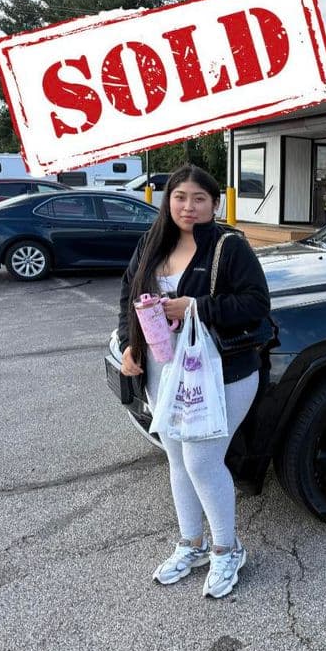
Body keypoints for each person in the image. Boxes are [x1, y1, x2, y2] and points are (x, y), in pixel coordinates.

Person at [116, 163, 270, 599]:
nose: (188, 206)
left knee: (202, 462)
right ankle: (192, 544)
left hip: (223, 370)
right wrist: (131, 345)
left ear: (214, 204)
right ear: (168, 200)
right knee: (178, 460)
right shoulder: (151, 241)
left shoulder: (229, 247)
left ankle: (227, 548)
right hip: (165, 370)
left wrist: (195, 306)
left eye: (199, 198)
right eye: (180, 196)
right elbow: (129, 296)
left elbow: (256, 304)